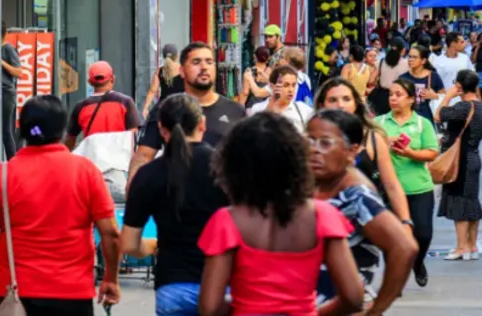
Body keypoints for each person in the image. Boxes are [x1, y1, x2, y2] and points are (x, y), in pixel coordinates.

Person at [0, 95, 121, 316]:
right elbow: (110, 233)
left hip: (18, 296)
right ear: (63, 130)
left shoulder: (3, 175)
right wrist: (111, 279)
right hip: (74, 294)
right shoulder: (86, 172)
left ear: (23, 130)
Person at [197, 113, 363, 316]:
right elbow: (353, 298)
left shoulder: (227, 221)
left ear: (235, 165)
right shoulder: (324, 216)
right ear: (296, 160)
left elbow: (210, 308)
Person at [122, 94, 228, 315]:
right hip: (222, 285)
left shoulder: (148, 175)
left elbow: (129, 244)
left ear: (162, 130)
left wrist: (151, 246)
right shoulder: (228, 168)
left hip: (173, 287)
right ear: (202, 124)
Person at [308, 110, 417, 313]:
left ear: (351, 151)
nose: (314, 150)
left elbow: (405, 248)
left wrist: (377, 309)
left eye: (325, 143)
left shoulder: (357, 196)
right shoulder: (315, 185)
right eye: (309, 141)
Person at [129, 42, 246, 189]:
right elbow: (143, 156)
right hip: (177, 196)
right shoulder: (166, 109)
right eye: (196, 62)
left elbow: (247, 160)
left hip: (221, 197)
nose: (204, 67)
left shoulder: (236, 111)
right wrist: (133, 190)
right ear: (182, 71)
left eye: (209, 62)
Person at [313, 77, 412, 228]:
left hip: (369, 222)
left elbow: (391, 185)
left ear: (356, 104)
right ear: (322, 105)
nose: (340, 105)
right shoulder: (312, 142)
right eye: (333, 100)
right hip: (327, 223)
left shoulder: (373, 138)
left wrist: (405, 222)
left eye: (346, 99)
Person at [374, 79, 439, 287]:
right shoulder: (379, 123)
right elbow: (368, 149)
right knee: (391, 237)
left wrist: (410, 153)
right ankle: (393, 280)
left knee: (423, 234)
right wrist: (385, 143)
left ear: (411, 99)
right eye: (391, 94)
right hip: (388, 190)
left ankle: (417, 263)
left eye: (399, 94)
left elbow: (432, 153)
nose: (393, 98)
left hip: (419, 188)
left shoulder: (422, 123)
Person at [434, 69, 482, 261]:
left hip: (459, 160)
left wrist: (448, 96)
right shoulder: (480, 107)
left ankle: (461, 247)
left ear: (459, 86)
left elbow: (439, 115)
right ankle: (472, 246)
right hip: (473, 157)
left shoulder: (463, 107)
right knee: (471, 200)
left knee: (459, 202)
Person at [64, 61, 141, 149]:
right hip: (119, 155)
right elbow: (133, 136)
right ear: (112, 79)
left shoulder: (81, 107)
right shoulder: (125, 102)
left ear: (89, 82)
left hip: (91, 156)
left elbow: (70, 139)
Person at [246, 65, 314, 132]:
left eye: (293, 85)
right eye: (286, 85)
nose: (291, 90)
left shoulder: (303, 109)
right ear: (272, 86)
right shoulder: (258, 108)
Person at [399, 44, 444, 124]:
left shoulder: (433, 76)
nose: (410, 59)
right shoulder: (403, 78)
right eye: (409, 56)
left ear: (423, 60)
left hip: (427, 119)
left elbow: (444, 96)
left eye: (414, 57)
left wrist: (435, 96)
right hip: (407, 119)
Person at [1, 22, 23, 160]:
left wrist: (2, 62)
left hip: (6, 92)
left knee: (6, 130)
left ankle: (12, 161)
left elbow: (19, 72)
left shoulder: (8, 49)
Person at [369, 37, 409, 115]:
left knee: (381, 119)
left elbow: (371, 80)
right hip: (399, 96)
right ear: (403, 50)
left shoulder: (381, 62)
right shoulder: (407, 64)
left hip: (382, 96)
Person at [142, 44, 183, 119]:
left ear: (164, 56)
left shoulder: (159, 71)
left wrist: (145, 108)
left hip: (163, 107)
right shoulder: (183, 69)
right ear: (177, 55)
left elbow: (152, 91)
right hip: (181, 106)